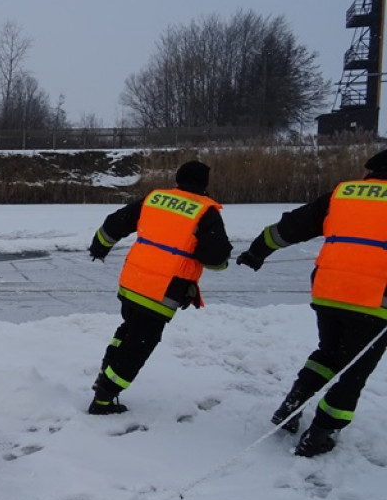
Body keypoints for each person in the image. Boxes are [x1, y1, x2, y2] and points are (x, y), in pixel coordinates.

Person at [236, 148, 387, 457]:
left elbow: (291, 227)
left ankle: (292, 405)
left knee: (328, 354)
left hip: (329, 292)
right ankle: (320, 434)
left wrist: (257, 251)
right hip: (373, 300)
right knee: (354, 372)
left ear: (370, 171)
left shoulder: (342, 195)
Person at [87, 160, 231, 414]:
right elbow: (216, 259)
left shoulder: (155, 198)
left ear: (178, 180)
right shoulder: (205, 212)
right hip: (162, 291)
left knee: (128, 331)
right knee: (139, 346)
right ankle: (103, 398)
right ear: (204, 185)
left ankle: (105, 376)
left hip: (133, 281)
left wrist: (99, 246)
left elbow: (115, 223)